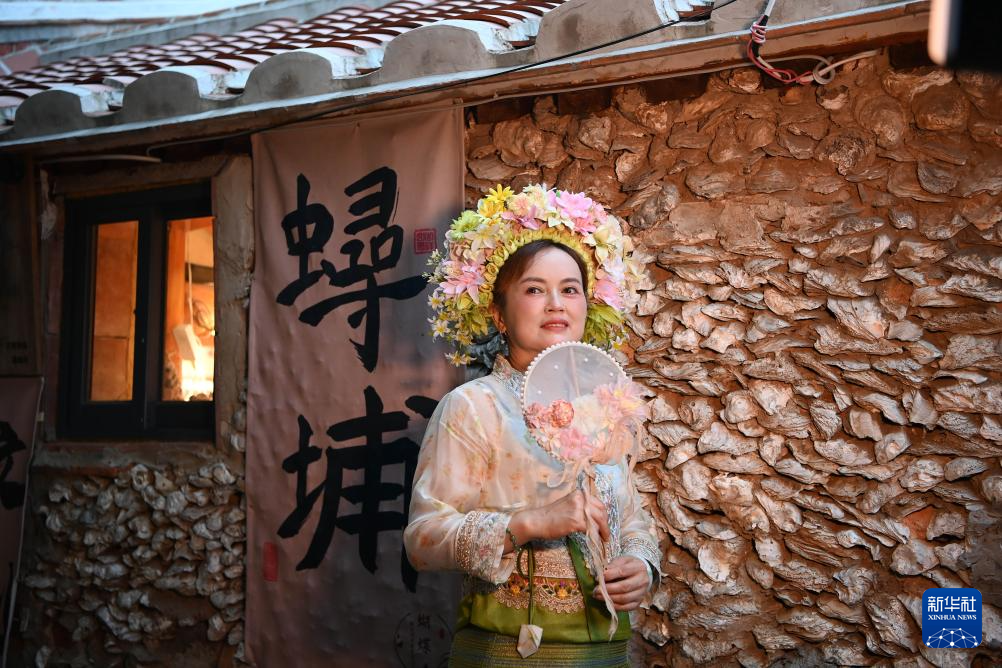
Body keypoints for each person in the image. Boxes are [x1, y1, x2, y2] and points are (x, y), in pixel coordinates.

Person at [404, 184, 661, 667]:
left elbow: (631, 520)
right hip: (510, 654)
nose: (556, 304)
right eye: (535, 289)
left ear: (588, 306)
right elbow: (422, 539)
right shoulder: (473, 406)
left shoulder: (606, 408)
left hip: (608, 655)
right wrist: (529, 523)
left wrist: (641, 565)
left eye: (570, 289)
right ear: (499, 314)